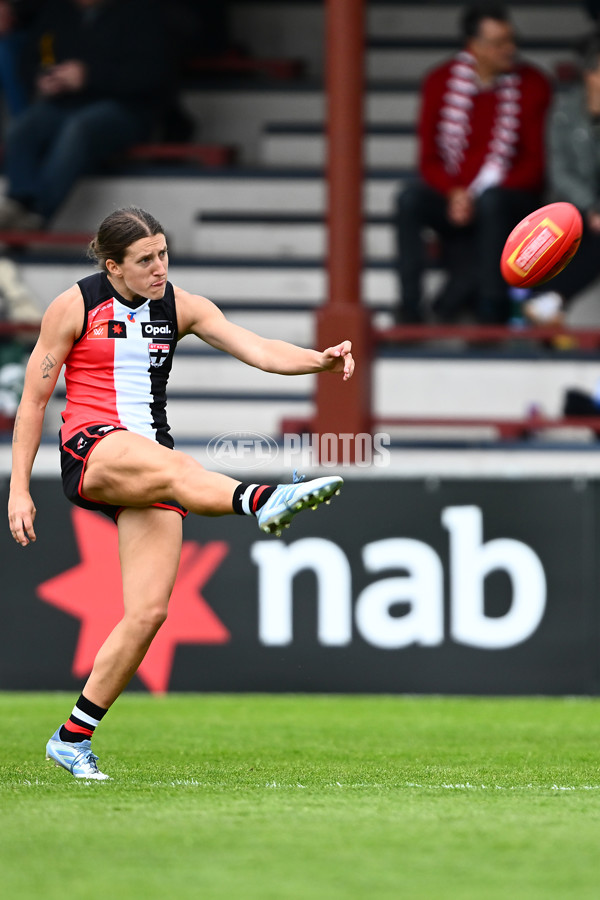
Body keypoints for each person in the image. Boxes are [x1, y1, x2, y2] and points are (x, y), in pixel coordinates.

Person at [7, 206, 354, 780]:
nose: (159, 267)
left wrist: (317, 360)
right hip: (93, 447)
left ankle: (72, 737)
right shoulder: (74, 306)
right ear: (113, 266)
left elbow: (260, 350)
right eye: (145, 260)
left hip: (152, 464)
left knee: (147, 613)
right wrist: (20, 488)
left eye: (163, 254)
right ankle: (266, 500)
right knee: (179, 467)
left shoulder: (181, 306)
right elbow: (33, 404)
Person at [394, 3, 552, 324]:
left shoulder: (534, 84)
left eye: (512, 39)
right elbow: (427, 159)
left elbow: (535, 167)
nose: (511, 49)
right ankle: (409, 305)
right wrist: (454, 194)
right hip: (455, 196)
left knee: (493, 203)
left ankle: (492, 306)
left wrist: (479, 195)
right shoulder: (439, 81)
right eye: (499, 43)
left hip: (507, 196)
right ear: (474, 46)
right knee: (408, 199)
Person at [0, 0, 167, 230]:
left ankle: (37, 212)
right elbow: (32, 57)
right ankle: (18, 200)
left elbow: (151, 75)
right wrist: (43, 78)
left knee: (79, 127)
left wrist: (89, 77)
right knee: (24, 127)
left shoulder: (140, 13)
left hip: (125, 108)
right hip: (64, 103)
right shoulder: (58, 11)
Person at [523, 32, 600, 325]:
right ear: (589, 75)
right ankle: (549, 305)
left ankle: (549, 302)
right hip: (570, 204)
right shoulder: (564, 112)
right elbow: (559, 172)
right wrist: (590, 206)